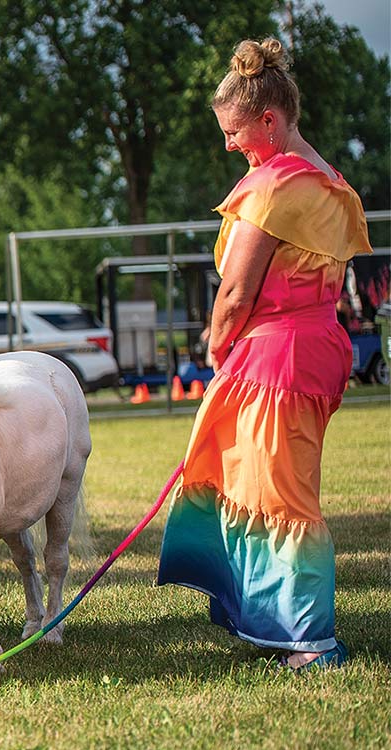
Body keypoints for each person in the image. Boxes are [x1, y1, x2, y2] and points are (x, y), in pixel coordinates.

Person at [157, 38, 372, 672]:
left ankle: (308, 641)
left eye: (235, 132)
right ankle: (261, 616)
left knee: (280, 498)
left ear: (269, 121)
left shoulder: (274, 187)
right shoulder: (333, 185)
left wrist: (217, 347)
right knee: (255, 485)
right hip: (317, 350)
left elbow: (235, 293)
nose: (230, 145)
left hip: (274, 358)